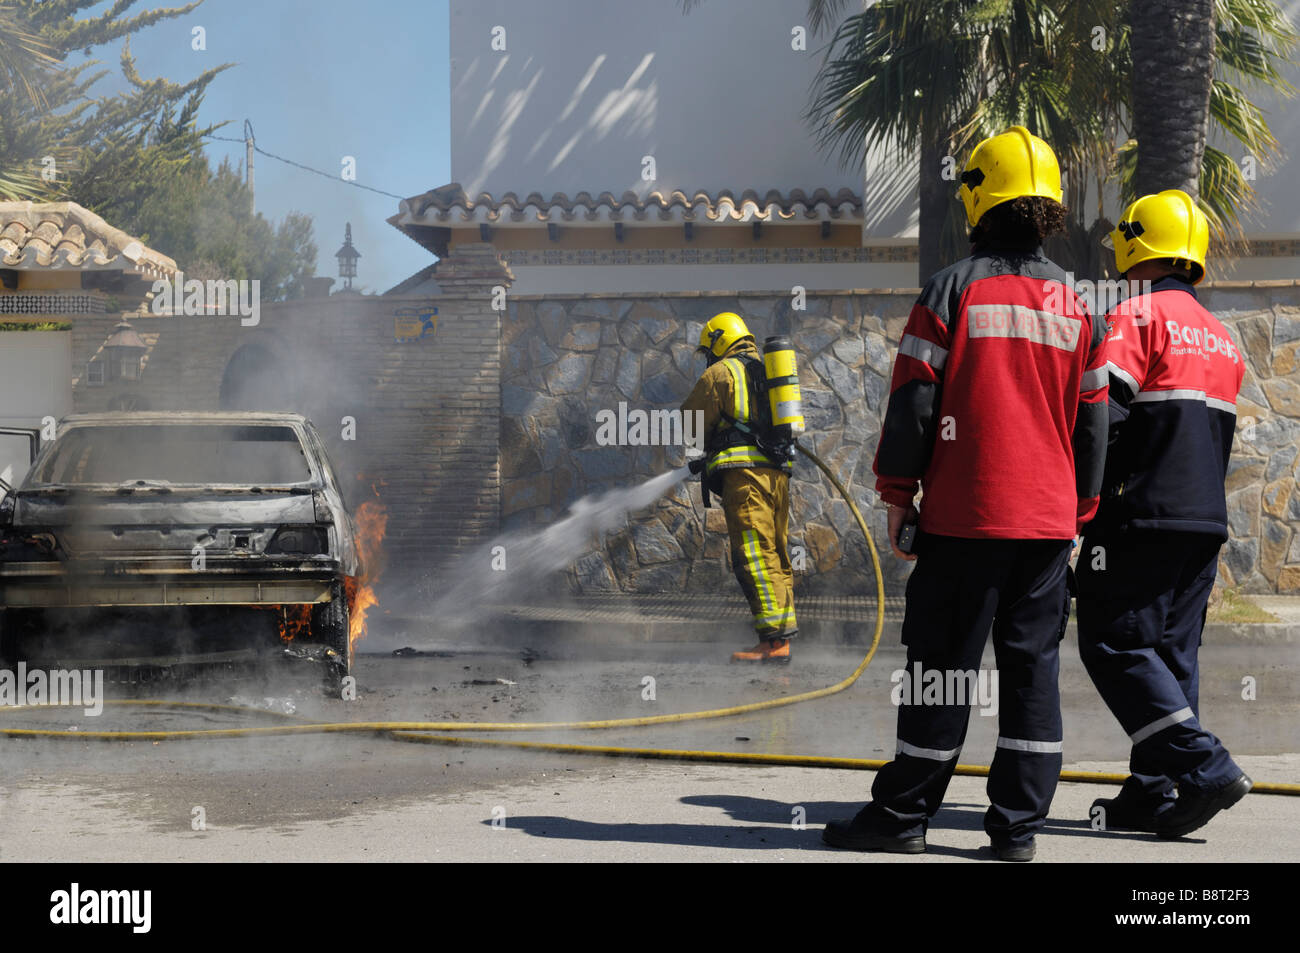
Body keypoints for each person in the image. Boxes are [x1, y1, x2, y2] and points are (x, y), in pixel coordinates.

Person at [822, 126, 1108, 861]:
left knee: (941, 668)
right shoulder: (1079, 308)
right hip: (1046, 530)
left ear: (979, 197)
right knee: (1031, 671)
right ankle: (1016, 831)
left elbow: (915, 402)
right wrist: (1078, 511)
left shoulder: (951, 288)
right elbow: (1095, 424)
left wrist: (897, 493)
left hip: (963, 522)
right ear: (1050, 209)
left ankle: (904, 816)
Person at [1076, 189, 1251, 838]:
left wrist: (1078, 509)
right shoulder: (1224, 341)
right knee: (1173, 656)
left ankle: (1206, 768)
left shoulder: (1136, 318)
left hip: (1141, 516)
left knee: (1114, 640)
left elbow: (1105, 418)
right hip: (1205, 522)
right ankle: (1153, 789)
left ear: (1135, 243)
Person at [680, 312, 797, 663]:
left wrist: (705, 443)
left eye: (708, 350)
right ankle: (780, 636)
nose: (708, 358)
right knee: (774, 552)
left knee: (753, 554)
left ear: (718, 341)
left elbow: (691, 424)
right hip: (777, 476)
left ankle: (774, 643)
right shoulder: (768, 372)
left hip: (745, 479)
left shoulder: (721, 373)